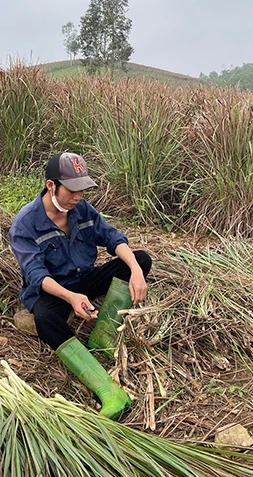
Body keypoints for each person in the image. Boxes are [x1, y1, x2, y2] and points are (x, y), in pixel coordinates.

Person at [8, 152, 152, 420]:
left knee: (141, 258)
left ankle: (103, 337)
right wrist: (71, 297)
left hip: (83, 280)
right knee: (45, 318)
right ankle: (108, 390)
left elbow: (111, 237)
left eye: (82, 190)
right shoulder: (25, 224)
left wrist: (135, 270)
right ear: (51, 185)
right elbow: (36, 274)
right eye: (72, 190)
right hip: (54, 289)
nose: (78, 196)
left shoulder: (82, 209)